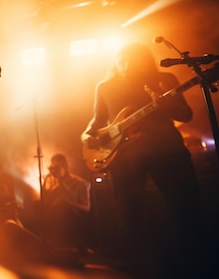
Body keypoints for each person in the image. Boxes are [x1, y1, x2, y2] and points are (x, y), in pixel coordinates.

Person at [81, 42, 203, 276]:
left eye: (133, 60)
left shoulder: (164, 80)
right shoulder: (105, 87)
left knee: (187, 211)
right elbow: (97, 120)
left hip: (167, 151)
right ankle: (138, 270)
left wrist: (167, 107)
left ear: (144, 61)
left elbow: (186, 114)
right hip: (125, 157)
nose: (126, 64)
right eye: (122, 59)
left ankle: (194, 266)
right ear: (115, 61)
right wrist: (87, 135)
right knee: (128, 216)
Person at [42, 153, 90, 255]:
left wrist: (69, 203)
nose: (55, 170)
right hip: (56, 215)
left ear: (65, 166)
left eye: (57, 167)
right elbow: (46, 200)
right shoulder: (53, 182)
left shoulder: (80, 183)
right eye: (53, 167)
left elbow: (86, 208)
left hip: (74, 216)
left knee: (63, 207)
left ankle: (72, 245)